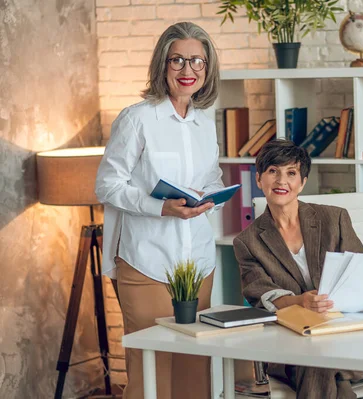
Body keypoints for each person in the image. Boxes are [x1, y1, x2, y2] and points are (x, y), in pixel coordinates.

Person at [95, 21, 223, 399]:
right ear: (162, 65)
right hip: (147, 259)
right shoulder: (137, 118)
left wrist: (212, 195)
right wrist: (160, 207)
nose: (188, 71)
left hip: (198, 260)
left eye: (197, 61)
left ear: (208, 67)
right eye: (178, 60)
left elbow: (212, 177)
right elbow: (107, 184)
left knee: (195, 362)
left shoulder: (204, 122)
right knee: (152, 364)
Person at [232, 139, 363, 399]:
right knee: (318, 361)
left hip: (345, 332)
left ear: (303, 181)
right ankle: (345, 373)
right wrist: (300, 301)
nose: (281, 181)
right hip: (292, 344)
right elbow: (261, 294)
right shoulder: (247, 241)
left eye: (291, 173)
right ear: (259, 179)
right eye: (273, 171)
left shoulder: (334, 218)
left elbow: (361, 275)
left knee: (320, 362)